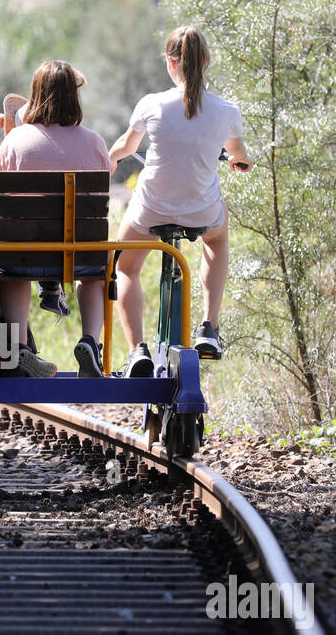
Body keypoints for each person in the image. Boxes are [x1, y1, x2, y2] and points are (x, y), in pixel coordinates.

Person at [107, 25, 252, 376]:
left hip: (152, 209)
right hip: (201, 211)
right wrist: (238, 161)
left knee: (125, 267)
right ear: (205, 62)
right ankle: (208, 327)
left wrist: (110, 160)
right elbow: (240, 153)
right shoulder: (226, 110)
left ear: (172, 62)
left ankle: (136, 350)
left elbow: (126, 147)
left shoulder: (152, 104)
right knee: (216, 241)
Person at [0, 60, 112, 378]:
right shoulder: (95, 142)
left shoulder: (15, 141)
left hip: (25, 256)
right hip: (79, 256)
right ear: (74, 98)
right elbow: (100, 202)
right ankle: (90, 342)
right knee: (95, 276)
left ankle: (19, 348)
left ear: (35, 96)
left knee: (13, 270)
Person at [0, 96, 71, 320]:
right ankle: (51, 290)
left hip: (17, 248)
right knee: (48, 224)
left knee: (22, 228)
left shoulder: (1, 157)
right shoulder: (53, 157)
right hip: (56, 244)